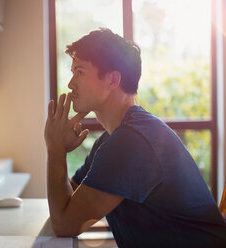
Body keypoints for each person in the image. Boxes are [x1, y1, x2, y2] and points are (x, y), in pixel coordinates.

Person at [44, 27, 226, 247]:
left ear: (112, 80)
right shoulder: (111, 140)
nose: (71, 83)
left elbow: (64, 225)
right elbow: (67, 205)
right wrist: (58, 150)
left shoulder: (131, 142)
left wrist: (55, 149)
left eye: (80, 72)